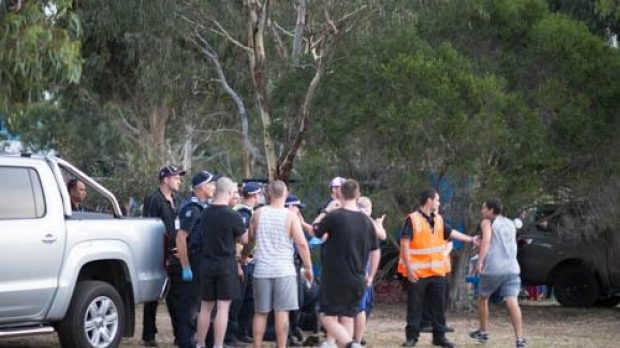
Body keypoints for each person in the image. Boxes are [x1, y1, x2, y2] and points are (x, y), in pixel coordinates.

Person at [398, 188, 478, 348]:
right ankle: (412, 337)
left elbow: (451, 232)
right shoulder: (412, 219)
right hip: (418, 273)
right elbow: (405, 244)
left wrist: (470, 239)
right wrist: (409, 268)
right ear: (429, 201)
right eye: (437, 200)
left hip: (437, 272)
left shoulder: (439, 219)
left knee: (439, 306)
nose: (439, 203)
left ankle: (439, 337)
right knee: (415, 306)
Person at [312, 179, 380, 348]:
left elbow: (316, 231)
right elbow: (376, 251)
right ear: (358, 195)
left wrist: (325, 211)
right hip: (358, 278)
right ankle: (350, 344)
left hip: (335, 278)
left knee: (326, 315)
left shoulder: (333, 217)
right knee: (348, 316)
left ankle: (349, 344)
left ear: (340, 193)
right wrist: (370, 275)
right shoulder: (366, 221)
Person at [249, 180, 314, 348]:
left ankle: (257, 345)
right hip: (284, 270)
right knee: (282, 312)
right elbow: (301, 244)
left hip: (261, 269)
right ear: (285, 194)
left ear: (268, 193)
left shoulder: (258, 213)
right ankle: (281, 345)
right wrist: (308, 267)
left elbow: (250, 239)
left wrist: (243, 256)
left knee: (260, 312)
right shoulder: (290, 216)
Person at [195, 177, 249, 348]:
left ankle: (200, 343)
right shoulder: (233, 215)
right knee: (223, 308)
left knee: (205, 307)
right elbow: (245, 239)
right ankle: (218, 345)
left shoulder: (204, 213)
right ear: (230, 192)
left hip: (207, 263)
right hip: (226, 265)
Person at [470, 198, 527, 348]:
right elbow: (501, 241)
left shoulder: (487, 222)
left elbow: (488, 241)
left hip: (493, 269)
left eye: (483, 208)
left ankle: (483, 331)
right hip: (512, 268)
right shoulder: (510, 223)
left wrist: (480, 261)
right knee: (512, 301)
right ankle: (519, 339)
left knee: (483, 298)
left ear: (490, 210)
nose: (482, 211)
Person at [141, 165, 186, 347]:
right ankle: (149, 334)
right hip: (158, 253)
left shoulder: (179, 200)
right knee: (154, 295)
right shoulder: (154, 200)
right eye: (176, 177)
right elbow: (149, 229)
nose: (179, 181)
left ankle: (179, 334)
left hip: (177, 254)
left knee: (176, 296)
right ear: (165, 179)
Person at [175, 170, 217, 348]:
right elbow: (181, 237)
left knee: (202, 304)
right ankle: (186, 342)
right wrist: (186, 266)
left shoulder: (203, 206)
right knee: (190, 305)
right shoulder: (192, 208)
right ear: (201, 187)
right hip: (194, 259)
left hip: (203, 259)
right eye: (211, 183)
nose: (214, 187)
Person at [225, 182, 262, 347]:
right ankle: (231, 335)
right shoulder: (243, 212)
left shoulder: (247, 211)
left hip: (247, 260)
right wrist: (240, 261)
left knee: (247, 298)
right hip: (241, 260)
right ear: (255, 195)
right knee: (237, 300)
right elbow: (241, 239)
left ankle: (241, 332)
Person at [353, 196, 386, 345]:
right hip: (362, 268)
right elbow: (382, 235)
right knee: (362, 306)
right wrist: (379, 224)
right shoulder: (366, 219)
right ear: (368, 208)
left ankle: (349, 336)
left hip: (348, 266)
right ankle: (356, 338)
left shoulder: (349, 217)